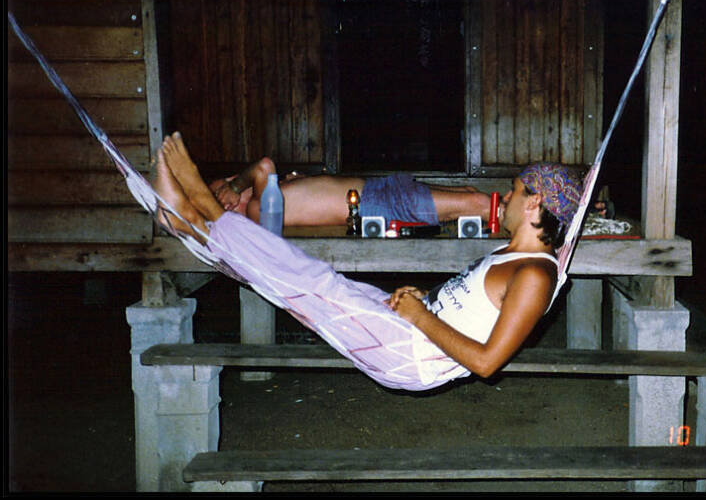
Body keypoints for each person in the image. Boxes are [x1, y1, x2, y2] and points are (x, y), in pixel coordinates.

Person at [154, 131, 584, 390]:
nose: (505, 198)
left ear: (535, 205)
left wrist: (420, 316)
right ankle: (190, 222)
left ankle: (202, 209)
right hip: (412, 330)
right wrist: (425, 299)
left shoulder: (535, 274)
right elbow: (471, 309)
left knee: (308, 282)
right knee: (308, 280)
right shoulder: (517, 255)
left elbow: (487, 364)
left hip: (413, 354)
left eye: (514, 192)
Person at [208, 157, 493, 226]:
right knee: (479, 203)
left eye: (225, 184)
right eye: (222, 193)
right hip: (375, 205)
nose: (232, 182)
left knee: (468, 192)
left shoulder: (271, 193)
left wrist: (299, 181)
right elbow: (263, 166)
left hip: (378, 189)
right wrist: (234, 187)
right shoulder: (259, 210)